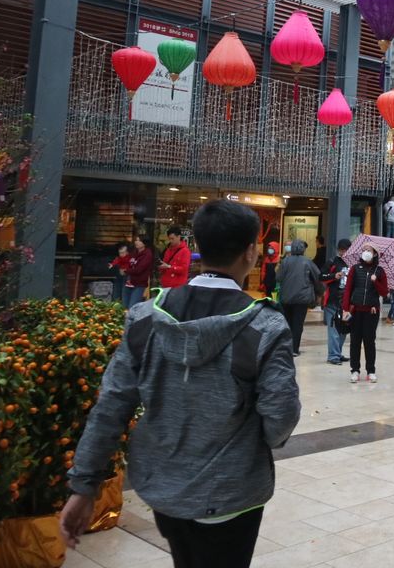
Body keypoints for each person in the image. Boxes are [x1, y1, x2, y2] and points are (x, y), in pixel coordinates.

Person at [60, 200, 300, 566]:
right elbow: (280, 414)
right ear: (251, 252)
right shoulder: (263, 326)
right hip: (232, 490)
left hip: (163, 486)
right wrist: (261, 442)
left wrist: (84, 485)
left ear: (200, 247)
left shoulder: (144, 318)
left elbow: (112, 405)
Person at [343, 245, 387, 383]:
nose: (366, 252)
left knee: (369, 341)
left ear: (375, 254)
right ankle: (355, 370)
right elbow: (348, 289)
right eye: (364, 250)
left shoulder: (379, 271)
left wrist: (376, 282)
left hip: (371, 312)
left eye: (369, 250)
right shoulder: (355, 269)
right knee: (355, 341)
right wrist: (345, 309)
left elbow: (384, 292)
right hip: (355, 310)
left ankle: (371, 371)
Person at [277, 240, 322, 357]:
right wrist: (319, 293)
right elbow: (318, 278)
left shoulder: (285, 261)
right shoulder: (308, 262)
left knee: (287, 323)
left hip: (286, 297)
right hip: (302, 298)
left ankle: (286, 347)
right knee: (298, 324)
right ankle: (294, 349)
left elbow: (279, 277)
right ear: (303, 249)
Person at [320, 238, 352, 365]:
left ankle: (337, 352)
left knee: (344, 329)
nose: (344, 252)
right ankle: (333, 356)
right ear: (339, 250)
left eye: (346, 250)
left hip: (346, 303)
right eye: (342, 250)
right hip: (332, 301)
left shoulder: (354, 264)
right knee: (333, 330)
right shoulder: (332, 262)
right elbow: (321, 276)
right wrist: (334, 276)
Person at [123, 234, 154, 310]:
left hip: (139, 284)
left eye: (139, 240)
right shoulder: (134, 252)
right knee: (124, 307)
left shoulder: (147, 254)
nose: (136, 242)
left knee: (132, 307)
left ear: (144, 243)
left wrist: (126, 270)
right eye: (136, 240)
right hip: (129, 283)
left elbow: (139, 269)